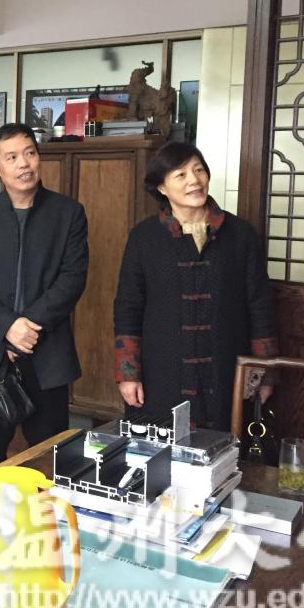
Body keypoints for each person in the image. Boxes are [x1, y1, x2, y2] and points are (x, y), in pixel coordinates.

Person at [113, 141, 277, 431]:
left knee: (226, 446)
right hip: (161, 371)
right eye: (181, 174)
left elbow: (260, 305)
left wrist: (264, 373)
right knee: (161, 447)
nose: (194, 180)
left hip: (227, 369)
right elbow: (128, 308)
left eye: (199, 170)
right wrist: (128, 374)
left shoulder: (240, 234)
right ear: (162, 187)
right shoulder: (144, 238)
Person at [0, 123, 88, 477]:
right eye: (12, 157)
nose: (23, 163)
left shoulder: (67, 213)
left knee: (51, 461)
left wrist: (27, 329)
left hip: (47, 356)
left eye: (29, 153)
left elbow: (72, 279)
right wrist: (7, 327)